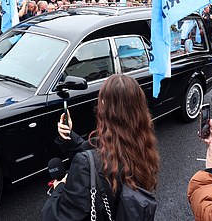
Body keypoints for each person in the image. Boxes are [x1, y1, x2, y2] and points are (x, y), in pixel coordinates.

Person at [41, 74, 160, 220]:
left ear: (104, 110)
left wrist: (59, 187)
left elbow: (55, 217)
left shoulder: (86, 163)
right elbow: (97, 157)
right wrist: (69, 136)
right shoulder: (141, 148)